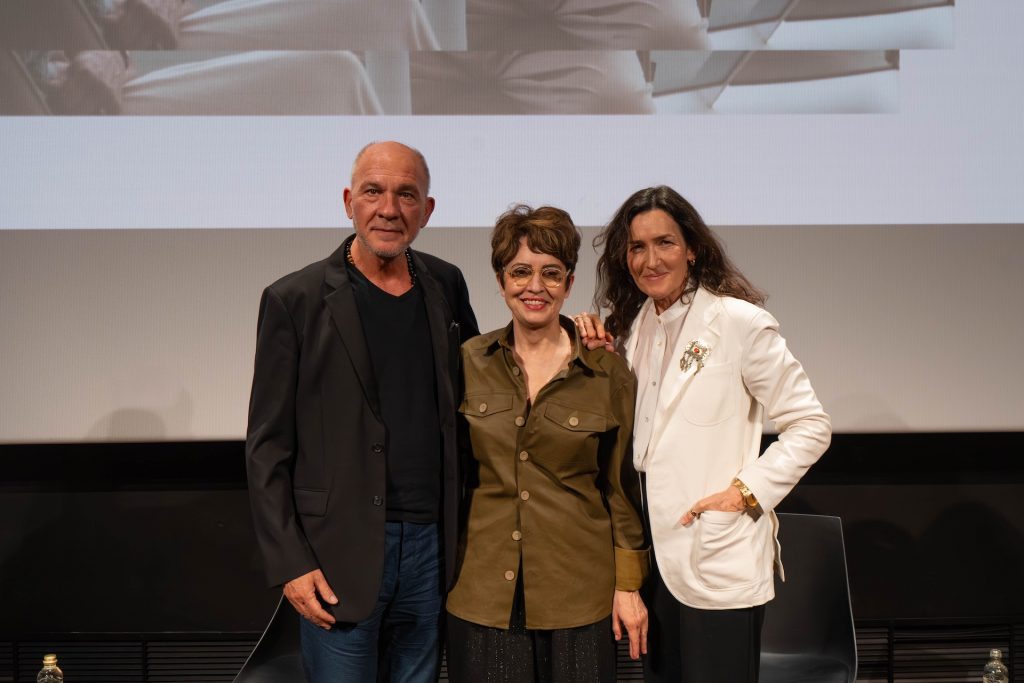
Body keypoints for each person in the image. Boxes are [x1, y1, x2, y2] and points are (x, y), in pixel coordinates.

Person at [245, 141, 479, 683]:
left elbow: (484, 381)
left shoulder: (446, 284)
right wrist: (291, 562)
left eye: (406, 195)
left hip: (432, 551)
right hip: (337, 555)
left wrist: (570, 336)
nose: (389, 209)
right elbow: (266, 446)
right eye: (374, 192)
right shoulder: (295, 299)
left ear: (427, 210)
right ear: (349, 201)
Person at [583, 186, 831, 682]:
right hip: (653, 562)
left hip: (714, 551)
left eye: (665, 243)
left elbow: (810, 424)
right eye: (637, 247)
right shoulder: (633, 329)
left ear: (692, 248)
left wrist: (745, 492)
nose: (651, 260)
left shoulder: (739, 323)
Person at [445, 205, 649, 682]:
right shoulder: (467, 362)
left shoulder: (606, 371)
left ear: (569, 283)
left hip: (579, 595)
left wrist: (628, 584)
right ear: (500, 281)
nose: (534, 286)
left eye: (551, 273)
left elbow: (620, 488)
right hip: (481, 594)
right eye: (520, 272)